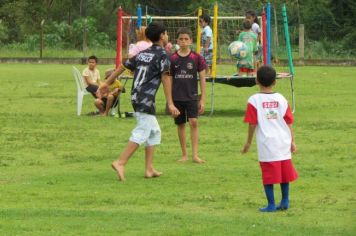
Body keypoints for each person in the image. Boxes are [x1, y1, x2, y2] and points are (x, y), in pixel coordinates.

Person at [102, 22, 180, 181]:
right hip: (145, 97)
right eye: (166, 34)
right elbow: (166, 78)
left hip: (137, 95)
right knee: (143, 130)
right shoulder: (163, 55)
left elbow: (123, 65)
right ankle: (120, 162)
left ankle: (149, 169)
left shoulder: (144, 53)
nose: (167, 36)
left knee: (154, 131)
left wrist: (106, 83)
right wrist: (170, 103)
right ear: (162, 36)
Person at [241, 65, 298, 212]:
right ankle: (285, 201)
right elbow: (288, 121)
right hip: (283, 141)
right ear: (275, 82)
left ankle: (271, 204)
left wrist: (248, 142)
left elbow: (252, 123)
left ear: (256, 80)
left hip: (267, 144)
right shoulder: (281, 99)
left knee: (269, 175)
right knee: (284, 174)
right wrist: (292, 141)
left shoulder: (254, 100)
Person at [170, 27, 207, 164]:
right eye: (181, 39)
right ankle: (184, 154)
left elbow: (202, 79)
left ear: (191, 41)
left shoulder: (197, 58)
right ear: (177, 41)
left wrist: (202, 99)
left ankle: (195, 155)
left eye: (186, 39)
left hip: (192, 96)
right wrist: (170, 101)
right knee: (180, 124)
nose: (184, 41)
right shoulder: (172, 58)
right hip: (177, 97)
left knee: (194, 122)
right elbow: (169, 80)